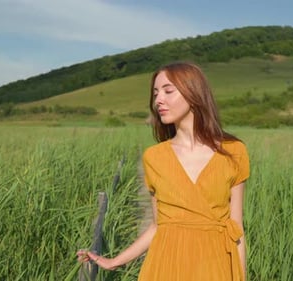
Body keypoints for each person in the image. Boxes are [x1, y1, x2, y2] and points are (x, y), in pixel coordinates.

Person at [77, 61, 250, 281]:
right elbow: (157, 226)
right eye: (156, 93)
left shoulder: (233, 151)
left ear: (193, 93)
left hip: (215, 265)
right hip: (166, 264)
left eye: (168, 91)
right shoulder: (154, 157)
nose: (159, 100)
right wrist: (113, 262)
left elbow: (237, 229)